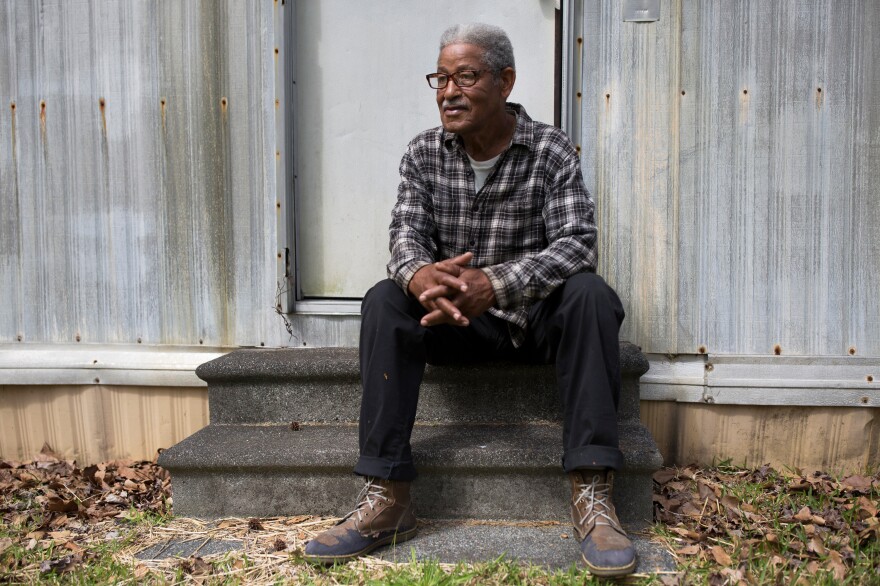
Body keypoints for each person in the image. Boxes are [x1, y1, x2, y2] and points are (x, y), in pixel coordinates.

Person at [304, 23, 633, 576]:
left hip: (533, 324)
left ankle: (593, 493)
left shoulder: (548, 149)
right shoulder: (424, 153)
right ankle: (386, 495)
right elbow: (405, 237)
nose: (448, 91)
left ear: (505, 82)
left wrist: (496, 284)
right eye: (441, 78)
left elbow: (577, 244)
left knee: (590, 294)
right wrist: (421, 276)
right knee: (385, 298)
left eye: (466, 76)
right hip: (455, 325)